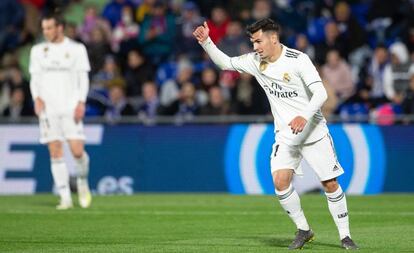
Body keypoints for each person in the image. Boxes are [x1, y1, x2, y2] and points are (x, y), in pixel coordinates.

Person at [193, 18, 358, 250]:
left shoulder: (298, 60)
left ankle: (345, 236)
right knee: (280, 182)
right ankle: (303, 229)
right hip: (286, 134)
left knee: (330, 183)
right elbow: (226, 63)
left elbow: (320, 93)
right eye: (252, 42)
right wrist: (207, 42)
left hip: (312, 131)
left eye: (258, 41)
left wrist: (305, 115)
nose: (255, 47)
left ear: (273, 38)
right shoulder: (254, 61)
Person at [29, 13, 92, 210]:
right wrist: (36, 98)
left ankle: (82, 180)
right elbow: (35, 78)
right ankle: (64, 197)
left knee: (77, 151)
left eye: (49, 28)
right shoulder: (38, 50)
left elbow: (83, 78)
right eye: (44, 28)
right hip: (49, 108)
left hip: (70, 106)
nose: (46, 32)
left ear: (60, 28)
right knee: (55, 150)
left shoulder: (76, 49)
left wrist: (81, 102)